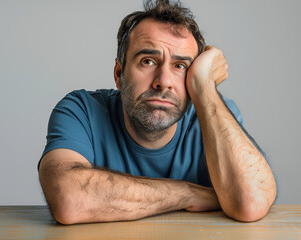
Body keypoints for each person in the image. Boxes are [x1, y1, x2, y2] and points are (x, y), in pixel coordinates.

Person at [38, 0, 277, 225]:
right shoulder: (80, 111)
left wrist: (205, 87)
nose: (163, 82)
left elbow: (251, 203)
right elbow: (68, 199)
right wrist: (187, 193)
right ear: (119, 74)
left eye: (180, 66)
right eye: (148, 61)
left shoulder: (213, 114)